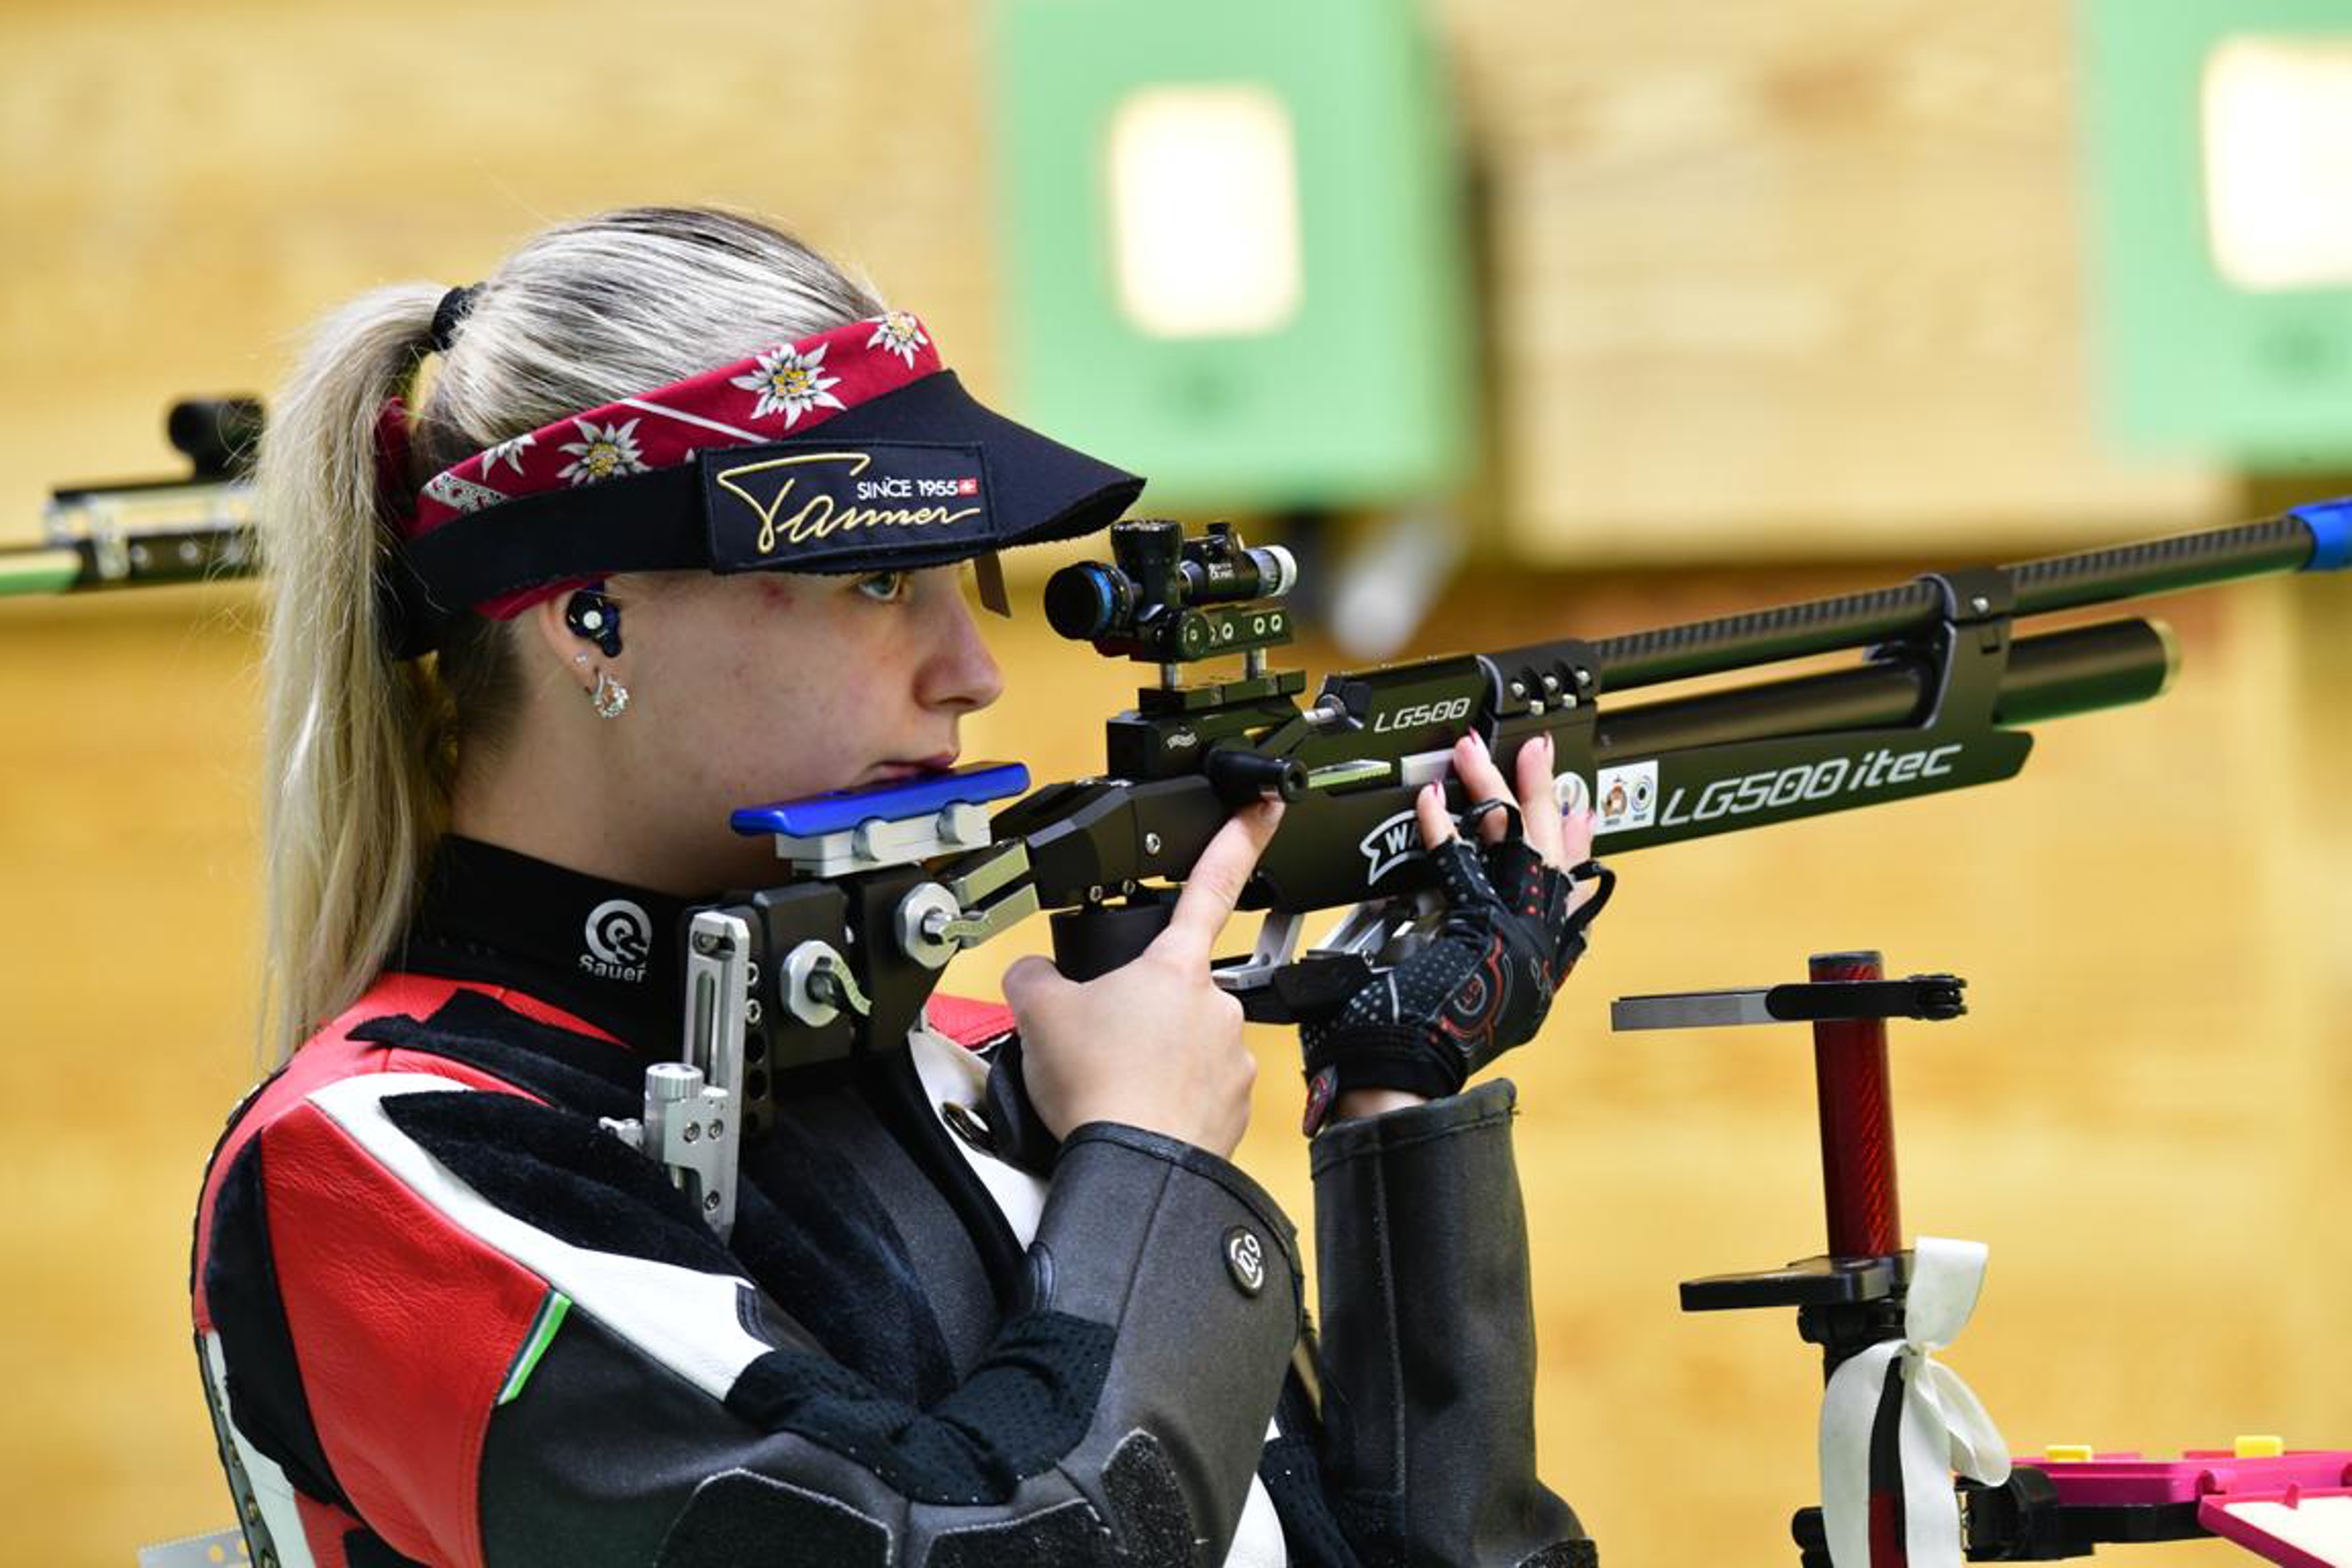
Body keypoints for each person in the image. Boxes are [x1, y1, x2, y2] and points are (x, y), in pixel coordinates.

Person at [189, 205, 1612, 1568]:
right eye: (877, 580)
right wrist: (1147, 1154)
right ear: (589, 614)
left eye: (967, 583)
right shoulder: (381, 1160)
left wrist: (1396, 1101)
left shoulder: (989, 1067)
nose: (971, 670)